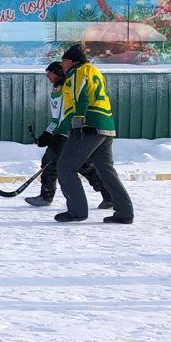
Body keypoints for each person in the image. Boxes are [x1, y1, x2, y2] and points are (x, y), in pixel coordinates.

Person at [53, 43, 134, 224]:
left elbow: (82, 96)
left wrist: (79, 121)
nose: (62, 65)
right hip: (106, 125)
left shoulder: (77, 72)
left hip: (88, 126)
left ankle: (77, 212)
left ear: (73, 61)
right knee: (106, 171)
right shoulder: (95, 71)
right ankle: (124, 212)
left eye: (64, 61)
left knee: (65, 168)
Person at [27, 60, 106, 209]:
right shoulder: (57, 89)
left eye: (49, 72)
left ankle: (46, 196)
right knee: (83, 165)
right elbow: (57, 118)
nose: (47, 76)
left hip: (68, 133)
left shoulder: (66, 88)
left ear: (57, 73)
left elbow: (67, 116)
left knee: (50, 163)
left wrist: (58, 135)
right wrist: (47, 133)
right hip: (64, 133)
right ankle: (108, 194)